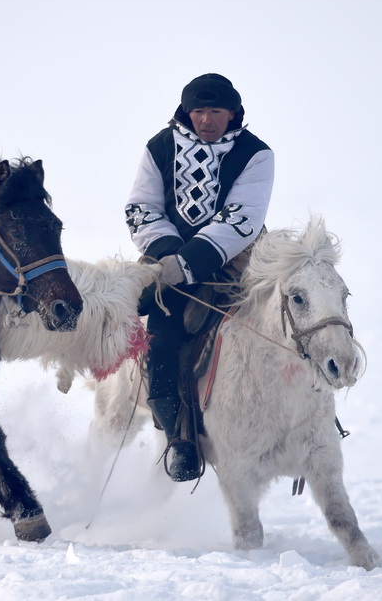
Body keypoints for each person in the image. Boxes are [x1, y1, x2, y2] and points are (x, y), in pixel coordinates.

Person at [124, 74, 275, 481]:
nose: (207, 120)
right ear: (187, 112)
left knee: (283, 320)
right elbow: (142, 207)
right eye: (199, 111)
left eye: (216, 111)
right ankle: (178, 438)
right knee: (161, 334)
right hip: (165, 259)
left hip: (235, 262)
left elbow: (242, 217)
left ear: (233, 113)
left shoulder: (256, 154)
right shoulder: (159, 146)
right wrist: (168, 258)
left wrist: (187, 263)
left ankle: (300, 416)